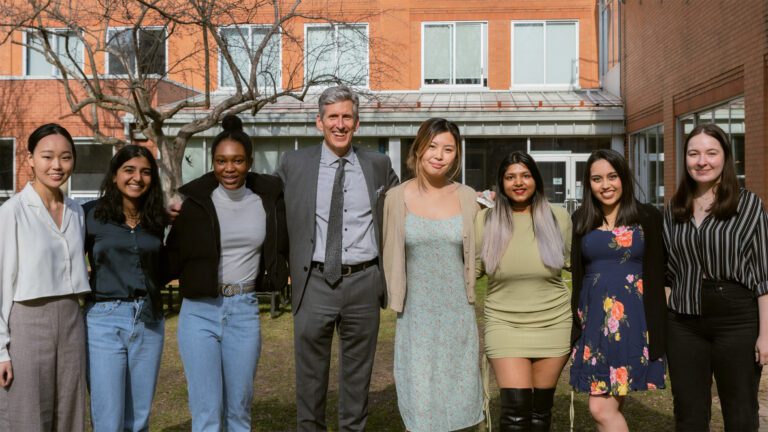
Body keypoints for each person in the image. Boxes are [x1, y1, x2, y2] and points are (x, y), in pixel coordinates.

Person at [275, 85, 398, 431]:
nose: (340, 124)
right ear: (319, 122)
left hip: (364, 282)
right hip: (313, 282)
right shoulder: (294, 163)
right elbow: (263, 201)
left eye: (347, 117)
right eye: (333, 117)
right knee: (310, 378)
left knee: (358, 379)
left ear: (357, 123)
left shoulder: (378, 164)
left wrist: (459, 194)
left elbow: (408, 202)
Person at [166, 115, 289, 431]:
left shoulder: (267, 200)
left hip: (243, 312)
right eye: (221, 161)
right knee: (206, 413)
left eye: (237, 161)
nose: (229, 168)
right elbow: (171, 254)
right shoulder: (195, 204)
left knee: (238, 412)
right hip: (199, 314)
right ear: (213, 163)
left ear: (249, 162)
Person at [664, 123, 768, 432]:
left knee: (740, 414)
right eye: (694, 153)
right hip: (684, 324)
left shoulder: (749, 206)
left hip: (736, 320)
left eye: (711, 153)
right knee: (689, 414)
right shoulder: (674, 208)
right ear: (685, 159)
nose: (702, 161)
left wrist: (766, 334)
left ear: (725, 158)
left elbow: (764, 274)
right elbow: (668, 274)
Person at [382, 118, 484, 431]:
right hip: (416, 318)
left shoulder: (469, 198)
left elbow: (479, 257)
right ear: (419, 148)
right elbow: (388, 252)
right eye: (432, 146)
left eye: (448, 149)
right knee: (421, 405)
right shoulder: (396, 198)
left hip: (458, 316)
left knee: (460, 401)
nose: (439, 155)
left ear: (457, 156)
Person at [0, 123, 90, 431]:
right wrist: (0, 350)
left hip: (71, 319)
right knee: (26, 413)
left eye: (65, 157)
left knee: (70, 412)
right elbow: (1, 283)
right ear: (30, 159)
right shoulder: (12, 212)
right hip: (27, 320)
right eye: (47, 156)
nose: (57, 165)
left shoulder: (77, 212)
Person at [569, 149, 667, 432]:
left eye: (612, 177)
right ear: (588, 184)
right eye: (597, 179)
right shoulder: (581, 219)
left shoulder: (647, 216)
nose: (606, 185)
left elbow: (661, 272)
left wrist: (661, 326)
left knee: (600, 407)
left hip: (633, 321)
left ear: (623, 177)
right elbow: (577, 273)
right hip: (595, 323)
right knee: (608, 404)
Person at [475, 151, 571, 431]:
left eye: (525, 175)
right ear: (501, 184)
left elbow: (578, 263)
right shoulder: (486, 221)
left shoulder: (559, 217)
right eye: (510, 177)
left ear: (535, 180)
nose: (518, 182)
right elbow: (471, 271)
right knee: (514, 413)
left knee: (540, 414)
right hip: (504, 324)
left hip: (553, 323)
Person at [83, 145, 168, 431]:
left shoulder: (157, 218)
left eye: (145, 172)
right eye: (129, 170)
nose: (137, 178)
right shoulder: (90, 215)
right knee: (108, 416)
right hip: (104, 321)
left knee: (139, 416)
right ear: (115, 175)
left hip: (149, 320)